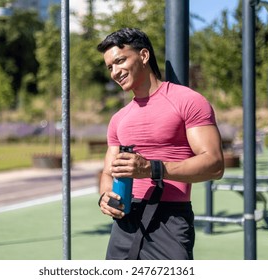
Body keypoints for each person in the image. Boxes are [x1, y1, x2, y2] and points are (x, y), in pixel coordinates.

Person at [96, 27, 224, 260]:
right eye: (110, 67)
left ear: (144, 56)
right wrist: (105, 197)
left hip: (169, 220)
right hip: (124, 223)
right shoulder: (118, 119)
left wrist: (152, 168)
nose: (115, 72)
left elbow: (214, 164)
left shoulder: (188, 101)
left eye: (120, 61)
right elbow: (108, 171)